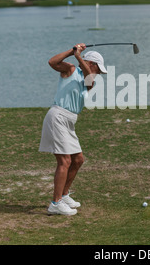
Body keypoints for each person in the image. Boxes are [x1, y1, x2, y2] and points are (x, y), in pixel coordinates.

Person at [39, 43, 107, 215]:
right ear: (91, 63)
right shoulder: (69, 70)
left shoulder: (90, 81)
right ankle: (55, 203)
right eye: (98, 68)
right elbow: (52, 62)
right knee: (65, 162)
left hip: (69, 121)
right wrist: (73, 52)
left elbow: (89, 77)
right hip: (58, 116)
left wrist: (78, 56)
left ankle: (63, 194)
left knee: (78, 160)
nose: (99, 73)